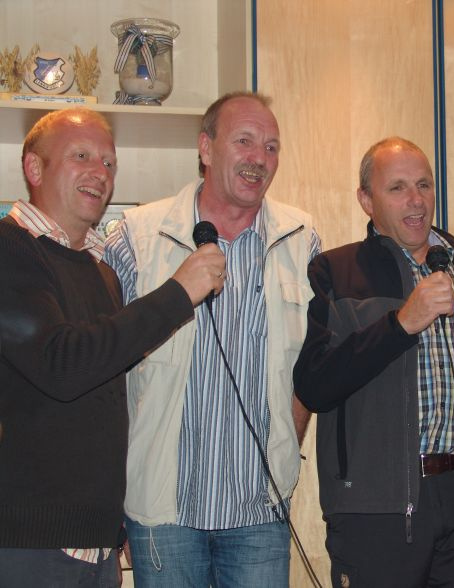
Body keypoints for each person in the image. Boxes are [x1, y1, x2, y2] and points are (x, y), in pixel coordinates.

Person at [0, 108, 224, 586]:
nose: (100, 173)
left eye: (108, 163)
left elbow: (104, 396)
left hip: (96, 542)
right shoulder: (10, 247)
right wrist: (177, 294)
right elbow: (61, 365)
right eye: (81, 156)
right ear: (34, 168)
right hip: (30, 545)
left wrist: (114, 519)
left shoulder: (100, 268)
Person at [104, 92, 320, 586]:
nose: (259, 158)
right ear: (205, 147)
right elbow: (105, 369)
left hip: (260, 510)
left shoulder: (301, 237)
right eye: (244, 141)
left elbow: (309, 365)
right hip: (163, 510)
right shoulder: (137, 236)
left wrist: (286, 445)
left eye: (271, 147)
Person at [294, 137, 454, 587]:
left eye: (423, 185)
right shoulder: (335, 271)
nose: (415, 200)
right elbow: (315, 385)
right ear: (366, 200)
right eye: (396, 188)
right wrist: (400, 325)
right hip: (379, 509)